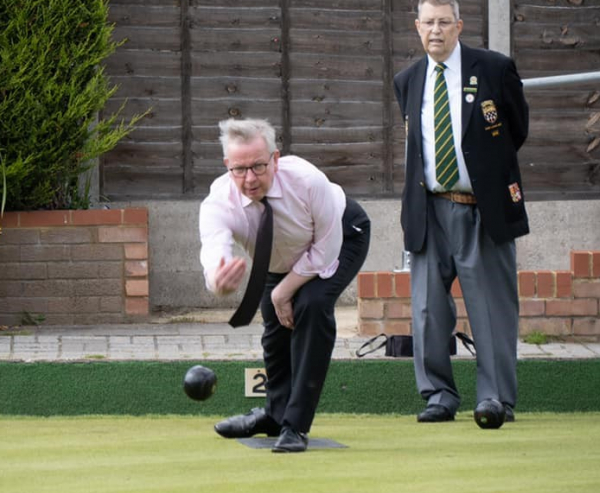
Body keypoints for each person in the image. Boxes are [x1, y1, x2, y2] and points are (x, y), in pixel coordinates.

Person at [393, 0, 530, 423]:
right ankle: (439, 395)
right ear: (417, 27)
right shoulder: (407, 80)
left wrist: (486, 176)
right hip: (429, 210)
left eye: (444, 22)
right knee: (428, 309)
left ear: (459, 26)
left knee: (490, 308)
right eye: (428, 23)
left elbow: (516, 129)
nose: (436, 30)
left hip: (481, 208)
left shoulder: (493, 68)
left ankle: (495, 398)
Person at [199, 118, 370, 452]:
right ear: (227, 166)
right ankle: (275, 415)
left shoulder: (308, 181)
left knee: (312, 305)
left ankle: (295, 424)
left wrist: (282, 291)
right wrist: (217, 283)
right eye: (239, 169)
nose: (249, 179)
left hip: (340, 236)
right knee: (275, 323)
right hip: (281, 255)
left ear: (275, 158)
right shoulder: (218, 202)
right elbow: (213, 252)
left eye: (259, 166)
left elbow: (324, 253)